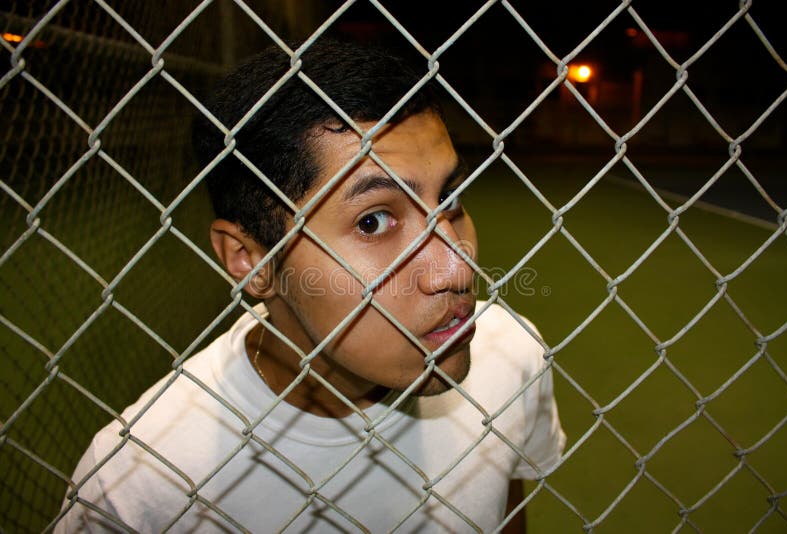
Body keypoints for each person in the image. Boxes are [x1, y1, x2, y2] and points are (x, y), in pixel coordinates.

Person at [56, 37, 565, 533]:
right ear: (253, 260)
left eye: (449, 198)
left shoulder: (510, 353)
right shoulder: (141, 483)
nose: (456, 268)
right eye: (373, 222)